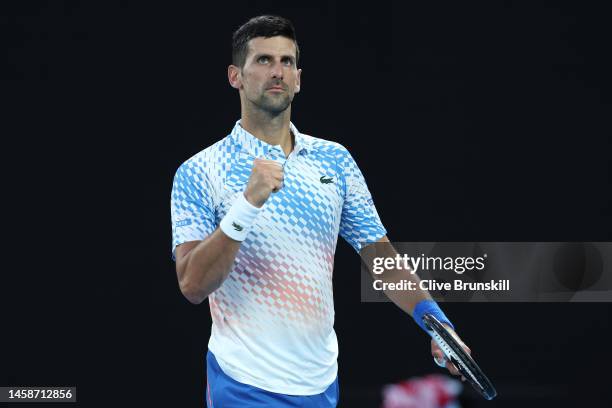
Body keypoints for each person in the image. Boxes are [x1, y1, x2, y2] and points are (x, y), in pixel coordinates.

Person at [170, 15, 470, 408]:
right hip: (242, 384)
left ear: (298, 78)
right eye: (262, 60)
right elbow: (192, 285)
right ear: (235, 76)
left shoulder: (335, 161)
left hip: (320, 385)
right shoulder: (199, 172)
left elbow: (382, 260)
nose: (277, 72)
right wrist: (247, 204)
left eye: (286, 62)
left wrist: (436, 323)